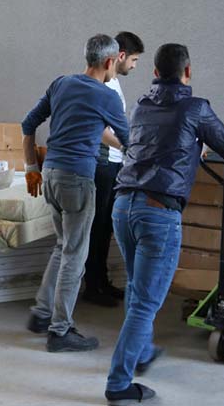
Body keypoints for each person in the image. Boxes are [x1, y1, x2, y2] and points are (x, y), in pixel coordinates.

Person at [104, 44, 224, 405]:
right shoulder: (196, 108)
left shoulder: (141, 106)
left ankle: (142, 351)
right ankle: (118, 385)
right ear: (188, 72)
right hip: (157, 212)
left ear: (155, 73)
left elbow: (151, 146)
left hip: (123, 206)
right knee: (145, 303)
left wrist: (193, 147)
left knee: (136, 287)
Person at [22, 34, 130, 352]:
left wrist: (31, 167)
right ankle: (60, 331)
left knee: (63, 247)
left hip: (50, 175)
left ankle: (41, 313)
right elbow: (129, 141)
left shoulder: (61, 84)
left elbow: (28, 124)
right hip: (78, 179)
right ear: (109, 62)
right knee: (75, 256)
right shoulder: (107, 96)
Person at [83, 31, 145, 307]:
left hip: (115, 163)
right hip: (103, 163)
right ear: (119, 56)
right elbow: (98, 130)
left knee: (107, 225)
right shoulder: (103, 86)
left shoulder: (114, 83)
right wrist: (127, 146)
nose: (134, 65)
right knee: (97, 226)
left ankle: (102, 281)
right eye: (134, 60)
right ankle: (92, 286)